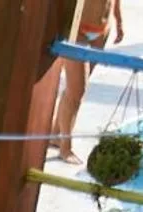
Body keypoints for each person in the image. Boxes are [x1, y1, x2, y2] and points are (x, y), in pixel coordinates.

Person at [51, 0, 125, 164]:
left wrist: (119, 21)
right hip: (77, 29)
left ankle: (56, 133)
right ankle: (65, 148)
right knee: (78, 90)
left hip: (102, 29)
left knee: (74, 88)